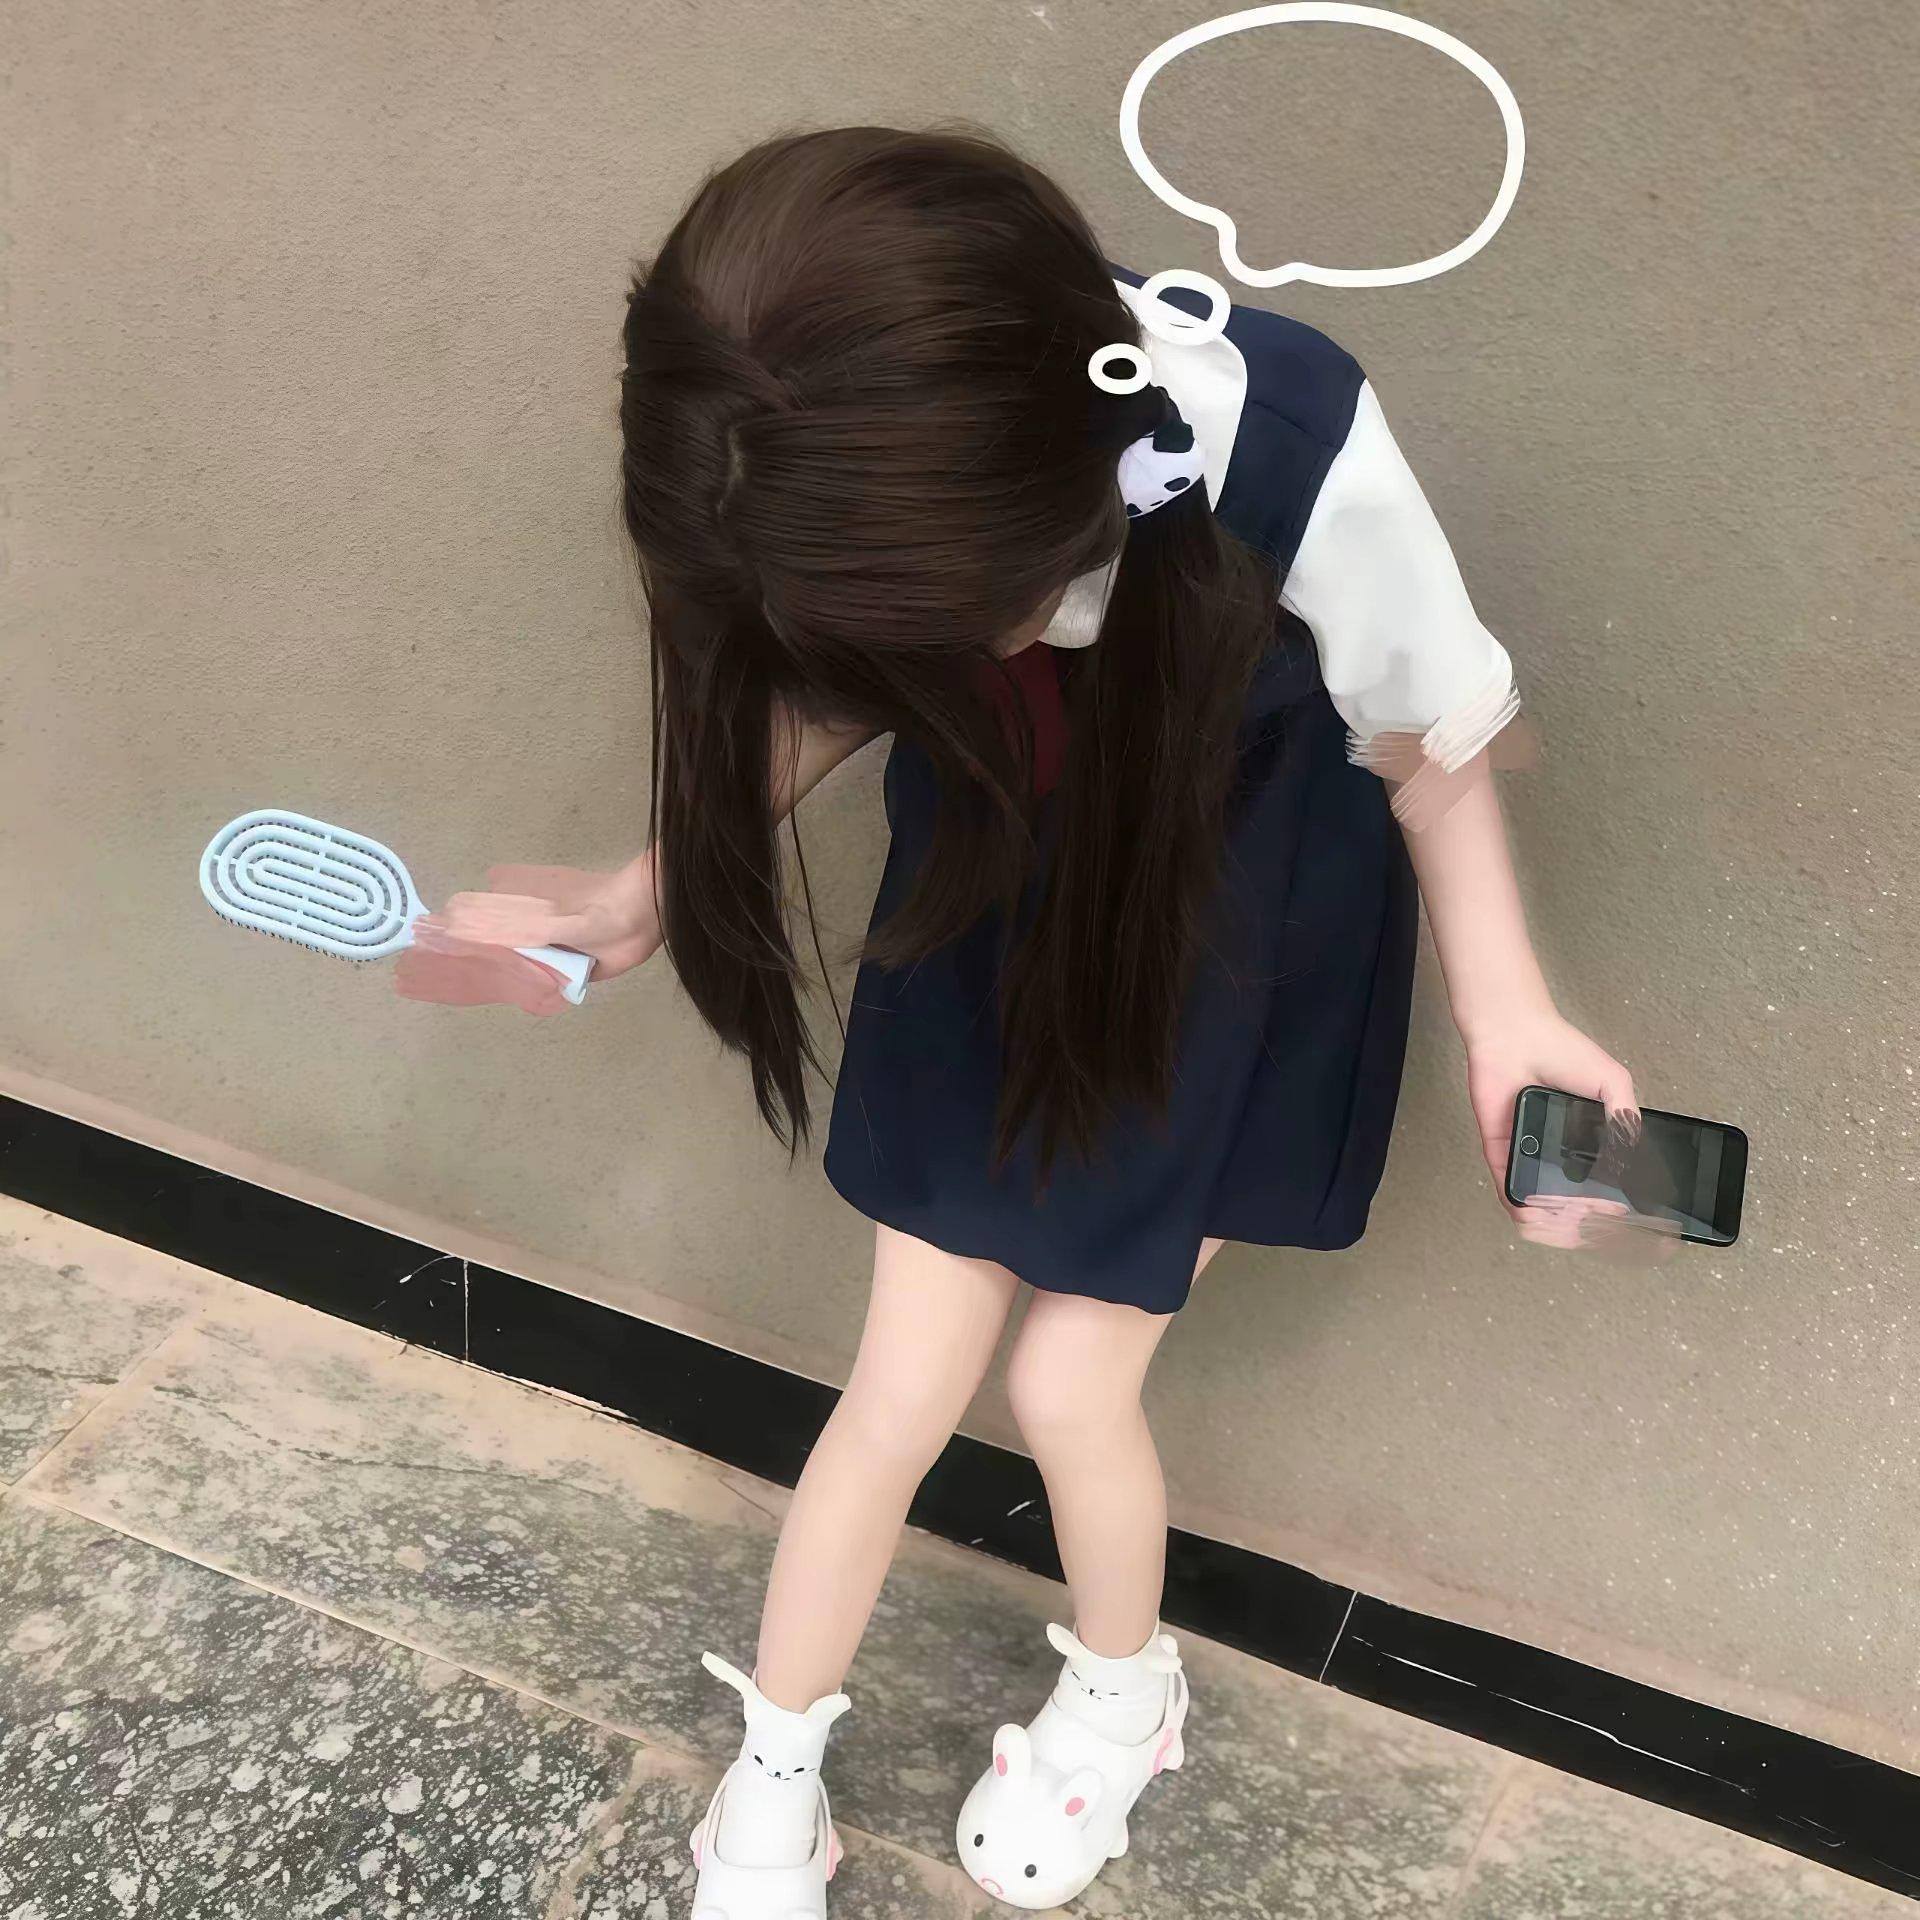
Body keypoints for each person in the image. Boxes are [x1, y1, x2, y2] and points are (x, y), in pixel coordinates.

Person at [399, 124, 1640, 1917]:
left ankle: (1127, 1696)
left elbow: (1431, 732)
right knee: (899, 1382)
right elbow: (826, 700)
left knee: (1068, 1382)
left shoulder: (1288, 441)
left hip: (1218, 958)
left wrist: (1505, 1010)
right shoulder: (825, 464)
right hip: (987, 915)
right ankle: (776, 1761)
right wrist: (646, 888)